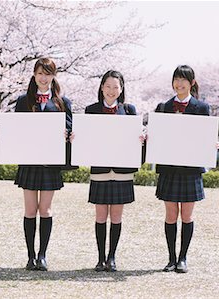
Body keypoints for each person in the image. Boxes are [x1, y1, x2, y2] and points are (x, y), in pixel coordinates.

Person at [14, 57, 72, 271]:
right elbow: (16, 129)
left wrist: (68, 135)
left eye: (47, 73)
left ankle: (43, 255)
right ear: (34, 75)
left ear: (53, 76)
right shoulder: (23, 100)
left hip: (50, 163)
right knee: (30, 209)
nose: (43, 77)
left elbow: (69, 129)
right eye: (40, 73)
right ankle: (30, 256)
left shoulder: (62, 102)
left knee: (45, 209)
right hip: (29, 161)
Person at [83, 70, 143, 272]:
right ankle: (100, 258)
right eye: (107, 86)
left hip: (122, 170)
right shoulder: (91, 110)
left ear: (122, 89)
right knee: (100, 215)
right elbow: (86, 138)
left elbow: (134, 139)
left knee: (116, 216)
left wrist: (140, 139)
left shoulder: (129, 110)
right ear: (101, 87)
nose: (111, 91)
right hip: (100, 169)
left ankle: (112, 257)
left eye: (115, 87)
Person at [155, 65, 210, 273]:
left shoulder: (202, 108)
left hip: (190, 168)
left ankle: (183, 258)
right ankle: (170, 258)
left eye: (183, 80)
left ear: (191, 83)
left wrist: (210, 144)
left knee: (186, 215)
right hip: (169, 167)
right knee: (170, 214)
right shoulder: (163, 107)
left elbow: (205, 137)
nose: (179, 84)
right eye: (176, 80)